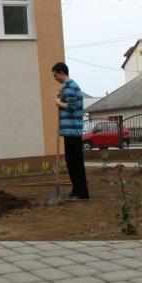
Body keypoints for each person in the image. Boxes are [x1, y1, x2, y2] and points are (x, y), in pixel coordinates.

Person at [52, 62, 90, 201]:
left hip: (72, 131)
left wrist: (58, 103)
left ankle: (82, 193)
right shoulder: (69, 87)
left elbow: (72, 106)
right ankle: (76, 190)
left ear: (62, 72)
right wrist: (61, 95)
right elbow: (68, 98)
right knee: (72, 162)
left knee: (75, 163)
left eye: (56, 75)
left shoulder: (70, 87)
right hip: (71, 131)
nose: (55, 78)